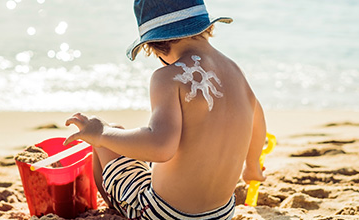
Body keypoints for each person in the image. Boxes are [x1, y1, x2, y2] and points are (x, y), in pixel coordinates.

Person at [64, 0, 267, 219]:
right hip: (221, 213)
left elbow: (161, 147)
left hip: (165, 213)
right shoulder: (235, 70)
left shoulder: (168, 77)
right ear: (205, 26)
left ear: (155, 45)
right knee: (127, 137)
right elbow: (257, 118)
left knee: (106, 140)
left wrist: (101, 133)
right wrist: (252, 166)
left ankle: (117, 207)